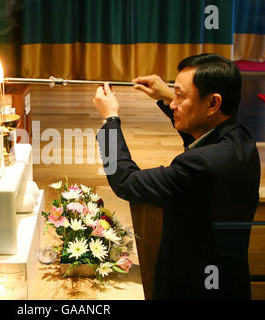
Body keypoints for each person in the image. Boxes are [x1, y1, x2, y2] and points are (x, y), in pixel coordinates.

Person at [93, 53, 260, 299]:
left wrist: (110, 120)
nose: (173, 104)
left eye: (180, 97)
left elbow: (126, 182)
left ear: (213, 103)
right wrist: (167, 95)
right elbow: (201, 133)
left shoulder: (197, 166)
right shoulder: (241, 138)